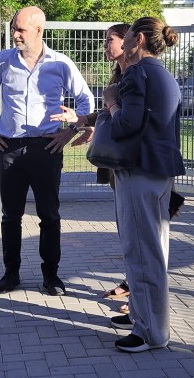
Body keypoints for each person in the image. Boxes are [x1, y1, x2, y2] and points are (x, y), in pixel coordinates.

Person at [0, 6, 93, 296]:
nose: (14, 34)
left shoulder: (61, 64)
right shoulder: (3, 62)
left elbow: (86, 102)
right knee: (10, 216)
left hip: (46, 148)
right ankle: (10, 274)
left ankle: (51, 277)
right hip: (10, 147)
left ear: (38, 31)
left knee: (49, 215)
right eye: (14, 28)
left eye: (20, 30)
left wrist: (71, 131)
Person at [102, 17, 185, 353]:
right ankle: (142, 316)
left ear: (136, 40)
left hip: (139, 171)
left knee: (141, 252)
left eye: (127, 37)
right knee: (151, 249)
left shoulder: (137, 73)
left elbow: (125, 124)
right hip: (158, 171)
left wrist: (110, 102)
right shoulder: (164, 75)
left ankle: (150, 332)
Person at [50, 23, 132, 306]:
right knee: (127, 231)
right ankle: (132, 282)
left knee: (138, 234)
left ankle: (140, 298)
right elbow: (110, 113)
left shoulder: (137, 74)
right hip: (118, 168)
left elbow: (126, 119)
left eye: (110, 40)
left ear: (130, 41)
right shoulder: (120, 73)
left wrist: (107, 107)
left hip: (134, 168)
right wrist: (81, 120)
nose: (105, 45)